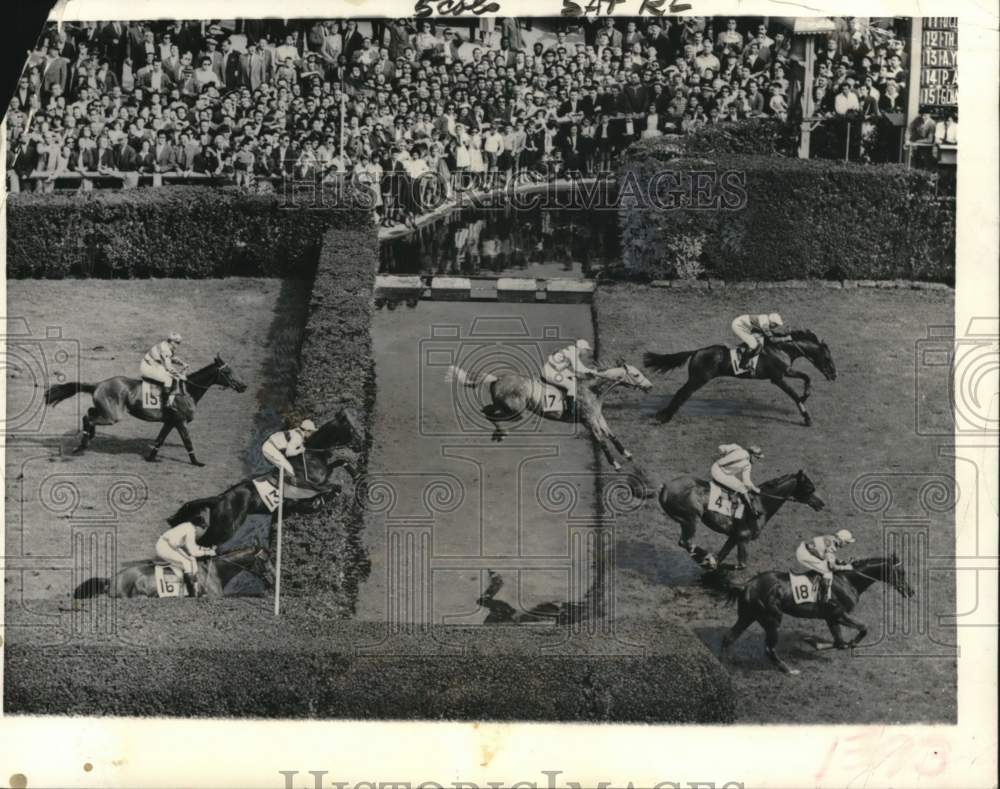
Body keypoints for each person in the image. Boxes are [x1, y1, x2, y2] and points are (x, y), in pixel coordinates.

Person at [154, 515, 216, 597]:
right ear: (197, 526)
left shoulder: (188, 526)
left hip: (170, 545)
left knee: (192, 560)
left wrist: (206, 549)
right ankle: (192, 594)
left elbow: (193, 547)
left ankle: (196, 589)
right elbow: (193, 552)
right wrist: (207, 553)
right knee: (186, 562)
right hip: (164, 546)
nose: (202, 530)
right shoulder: (190, 530)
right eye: (202, 527)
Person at [542, 338, 603, 418]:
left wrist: (578, 374)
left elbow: (568, 369)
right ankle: (569, 412)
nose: (586, 352)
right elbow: (579, 368)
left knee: (573, 378)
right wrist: (592, 371)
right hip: (550, 372)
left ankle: (566, 403)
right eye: (586, 350)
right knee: (572, 385)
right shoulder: (573, 352)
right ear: (581, 348)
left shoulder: (571, 351)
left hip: (552, 370)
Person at [710, 443, 763, 536]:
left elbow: (721, 447)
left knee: (739, 486)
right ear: (752, 455)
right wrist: (755, 489)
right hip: (720, 474)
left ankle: (733, 509)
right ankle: (744, 514)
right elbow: (747, 482)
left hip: (716, 467)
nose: (757, 460)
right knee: (742, 489)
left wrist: (722, 455)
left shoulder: (737, 448)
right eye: (757, 458)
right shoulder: (748, 465)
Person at [795, 529, 856, 604]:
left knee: (824, 565)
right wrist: (845, 567)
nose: (847, 545)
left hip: (806, 549)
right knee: (827, 572)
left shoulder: (832, 538)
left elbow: (829, 558)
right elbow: (831, 567)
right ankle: (825, 598)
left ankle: (819, 586)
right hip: (804, 554)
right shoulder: (831, 546)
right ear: (841, 540)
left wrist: (843, 562)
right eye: (847, 542)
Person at [261, 418, 317, 483]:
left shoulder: (298, 432)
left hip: (269, 446)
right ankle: (280, 487)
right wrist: (300, 450)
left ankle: (278, 481)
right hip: (270, 448)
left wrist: (300, 447)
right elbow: (289, 453)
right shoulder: (297, 437)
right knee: (290, 470)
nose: (311, 434)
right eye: (311, 432)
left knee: (285, 466)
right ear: (307, 431)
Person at [140, 332, 186, 407]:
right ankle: (165, 403)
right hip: (148, 367)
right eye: (177, 343)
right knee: (169, 379)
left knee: (172, 377)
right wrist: (180, 375)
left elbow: (172, 358)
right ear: (171, 341)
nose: (178, 345)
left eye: (179, 343)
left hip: (152, 365)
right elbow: (169, 367)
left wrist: (182, 363)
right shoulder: (165, 349)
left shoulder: (167, 346)